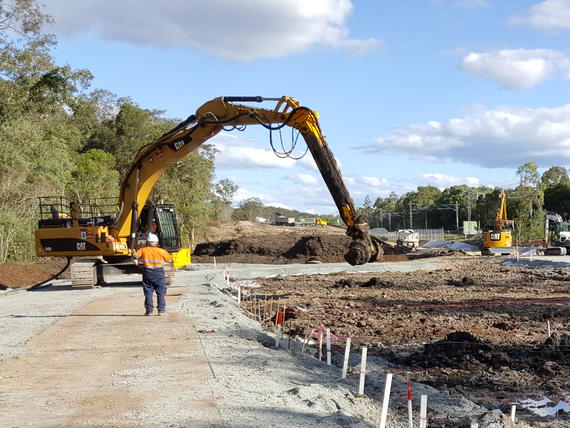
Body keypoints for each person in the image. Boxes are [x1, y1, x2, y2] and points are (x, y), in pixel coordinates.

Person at [132, 233, 173, 316]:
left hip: (147, 272)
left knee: (148, 292)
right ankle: (161, 311)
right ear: (157, 242)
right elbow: (170, 260)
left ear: (148, 242)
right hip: (159, 273)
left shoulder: (143, 250)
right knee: (161, 292)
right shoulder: (161, 251)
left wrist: (139, 265)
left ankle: (149, 311)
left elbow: (133, 258)